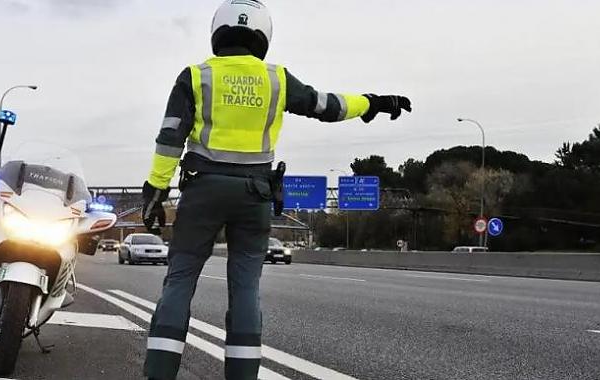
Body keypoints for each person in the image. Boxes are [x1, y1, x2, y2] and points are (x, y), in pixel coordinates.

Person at [141, 1, 412, 379]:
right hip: (254, 194)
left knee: (181, 278)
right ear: (263, 35)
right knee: (246, 288)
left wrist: (154, 192)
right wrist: (371, 102)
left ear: (218, 32)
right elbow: (326, 105)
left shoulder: (195, 76)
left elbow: (170, 138)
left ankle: (159, 373)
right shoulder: (277, 79)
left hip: (202, 191)